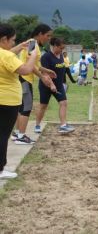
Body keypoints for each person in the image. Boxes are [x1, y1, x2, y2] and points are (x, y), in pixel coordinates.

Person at [0, 24, 38, 178]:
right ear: (4, 39)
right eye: (13, 41)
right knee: (3, 136)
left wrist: (20, 47)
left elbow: (6, 56)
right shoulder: (7, 56)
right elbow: (26, 70)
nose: (14, 44)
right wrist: (33, 55)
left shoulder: (4, 54)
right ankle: (1, 169)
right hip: (7, 102)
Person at [14, 24, 57, 142]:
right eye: (47, 35)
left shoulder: (34, 44)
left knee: (22, 107)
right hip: (24, 78)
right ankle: (21, 136)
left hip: (24, 78)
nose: (49, 38)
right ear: (40, 34)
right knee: (26, 107)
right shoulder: (32, 43)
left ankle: (17, 133)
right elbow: (30, 64)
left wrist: (46, 70)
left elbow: (36, 65)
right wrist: (42, 77)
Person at [35, 37, 75, 134]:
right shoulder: (46, 57)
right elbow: (44, 73)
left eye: (63, 48)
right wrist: (51, 84)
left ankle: (63, 125)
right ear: (55, 46)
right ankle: (37, 125)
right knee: (43, 105)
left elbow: (61, 70)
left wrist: (63, 82)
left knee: (63, 103)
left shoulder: (60, 55)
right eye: (61, 48)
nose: (62, 50)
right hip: (46, 85)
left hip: (59, 85)